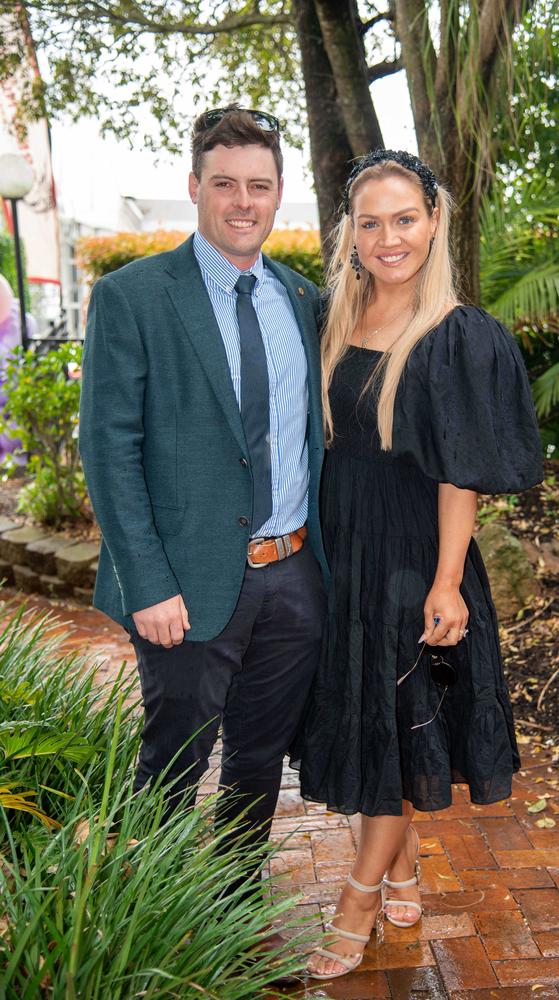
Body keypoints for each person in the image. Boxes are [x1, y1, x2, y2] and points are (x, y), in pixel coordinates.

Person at [291, 149, 544, 980]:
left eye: (405, 218)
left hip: (414, 563)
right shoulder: (331, 316)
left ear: (434, 222)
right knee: (374, 726)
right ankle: (402, 867)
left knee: (394, 727)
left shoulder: (454, 335)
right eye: (371, 222)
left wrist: (445, 581)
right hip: (343, 553)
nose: (389, 237)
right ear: (350, 233)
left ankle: (359, 899)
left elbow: (459, 471)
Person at [79, 106, 327, 862]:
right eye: (225, 184)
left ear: (280, 192)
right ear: (195, 186)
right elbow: (108, 446)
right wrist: (146, 582)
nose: (243, 201)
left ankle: (233, 914)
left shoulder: (302, 299)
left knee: (257, 765)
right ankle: (141, 916)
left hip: (292, 575)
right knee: (173, 764)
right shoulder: (136, 295)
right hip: (183, 586)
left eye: (259, 184)